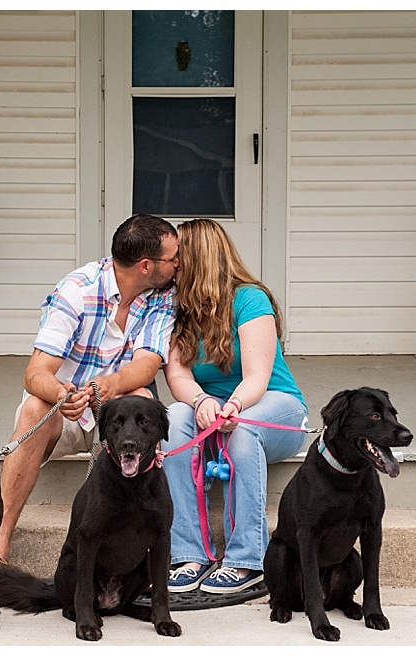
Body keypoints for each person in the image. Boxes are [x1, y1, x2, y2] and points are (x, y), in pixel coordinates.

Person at [0, 214, 179, 565]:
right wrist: (61, 394)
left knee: (142, 400)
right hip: (70, 411)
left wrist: (109, 386)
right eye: (173, 259)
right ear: (145, 266)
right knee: (35, 406)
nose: (178, 264)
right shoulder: (78, 289)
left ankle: (137, 549)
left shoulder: (162, 296)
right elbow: (35, 373)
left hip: (118, 417)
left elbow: (148, 362)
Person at [162, 219, 308, 595]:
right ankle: (188, 554)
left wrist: (234, 406)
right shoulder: (174, 308)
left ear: (198, 259)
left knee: (241, 429)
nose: (172, 265)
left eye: (178, 257)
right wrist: (200, 401)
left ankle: (245, 560)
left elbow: (258, 377)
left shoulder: (249, 298)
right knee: (173, 416)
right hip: (212, 411)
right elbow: (177, 376)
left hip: (272, 406)